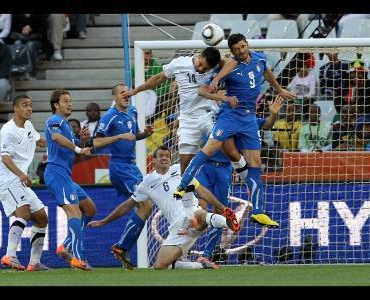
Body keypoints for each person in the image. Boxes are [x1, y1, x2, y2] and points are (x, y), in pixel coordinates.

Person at [174, 33, 296, 229]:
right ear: (232, 52)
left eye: (242, 47)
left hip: (248, 118)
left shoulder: (259, 59)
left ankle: (258, 212)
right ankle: (182, 185)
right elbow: (202, 90)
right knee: (210, 148)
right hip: (230, 116)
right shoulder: (230, 66)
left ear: (247, 45)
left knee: (255, 164)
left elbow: (266, 71)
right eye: (236, 49)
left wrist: (279, 89)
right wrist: (219, 92)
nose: (240, 51)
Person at [88, 145, 239, 270]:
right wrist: (105, 221)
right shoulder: (148, 181)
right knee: (159, 266)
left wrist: (222, 207)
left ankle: (229, 222)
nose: (165, 157)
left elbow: (201, 190)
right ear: (153, 160)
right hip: (176, 228)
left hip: (190, 215)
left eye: (167, 155)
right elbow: (128, 205)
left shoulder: (180, 170)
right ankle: (201, 265)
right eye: (161, 155)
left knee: (199, 215)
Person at [124, 47, 248, 176]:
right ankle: (187, 196)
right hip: (188, 119)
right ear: (199, 55)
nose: (200, 69)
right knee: (185, 165)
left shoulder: (216, 66)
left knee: (230, 150)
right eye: (200, 64)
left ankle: (250, 180)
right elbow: (158, 78)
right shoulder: (180, 63)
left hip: (209, 115)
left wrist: (217, 78)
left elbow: (233, 62)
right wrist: (136, 90)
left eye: (205, 69)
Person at [196, 95, 285, 268]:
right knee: (199, 210)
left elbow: (266, 125)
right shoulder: (209, 114)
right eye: (222, 96)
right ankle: (181, 251)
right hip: (204, 167)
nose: (225, 99)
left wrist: (273, 114)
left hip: (224, 169)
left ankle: (206, 255)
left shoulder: (243, 118)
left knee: (221, 212)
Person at [93, 83, 153, 268]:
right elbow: (96, 142)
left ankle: (122, 247)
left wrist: (144, 134)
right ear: (115, 97)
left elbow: (133, 136)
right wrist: (119, 137)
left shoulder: (133, 111)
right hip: (119, 167)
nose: (126, 94)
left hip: (132, 166)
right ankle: (121, 246)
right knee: (144, 203)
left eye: (128, 91)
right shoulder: (110, 116)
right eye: (122, 92)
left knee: (145, 206)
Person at [0, 95, 49, 272]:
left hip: (19, 181)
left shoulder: (28, 126)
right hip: (7, 180)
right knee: (23, 212)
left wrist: (62, 144)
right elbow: (5, 157)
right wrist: (21, 174)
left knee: (41, 217)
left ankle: (34, 262)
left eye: (31, 105)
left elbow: (39, 141)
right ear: (15, 108)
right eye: (25, 105)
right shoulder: (8, 130)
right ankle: (10, 255)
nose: (29, 108)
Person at [44, 88, 96, 271]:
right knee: (75, 213)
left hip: (65, 175)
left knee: (89, 208)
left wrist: (81, 142)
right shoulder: (54, 121)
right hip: (56, 173)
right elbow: (56, 138)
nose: (70, 103)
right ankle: (78, 258)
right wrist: (78, 148)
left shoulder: (66, 124)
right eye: (65, 101)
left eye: (70, 100)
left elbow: (71, 148)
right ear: (56, 105)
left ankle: (65, 246)